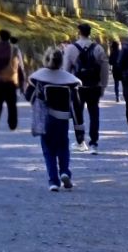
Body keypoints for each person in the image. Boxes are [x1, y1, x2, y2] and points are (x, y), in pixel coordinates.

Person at [25, 47, 82, 192]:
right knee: (63, 146)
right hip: (62, 119)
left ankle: (53, 181)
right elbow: (76, 105)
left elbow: (28, 96)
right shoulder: (69, 81)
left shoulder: (38, 78)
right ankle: (64, 172)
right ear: (61, 61)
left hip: (45, 119)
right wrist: (79, 130)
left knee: (48, 150)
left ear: (46, 59)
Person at [64, 24, 106, 152]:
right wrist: (102, 86)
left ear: (79, 33)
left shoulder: (71, 48)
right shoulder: (98, 48)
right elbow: (104, 69)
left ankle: (80, 141)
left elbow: (66, 70)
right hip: (94, 86)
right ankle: (94, 143)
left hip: (77, 87)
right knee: (94, 114)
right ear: (90, 33)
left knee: (77, 114)